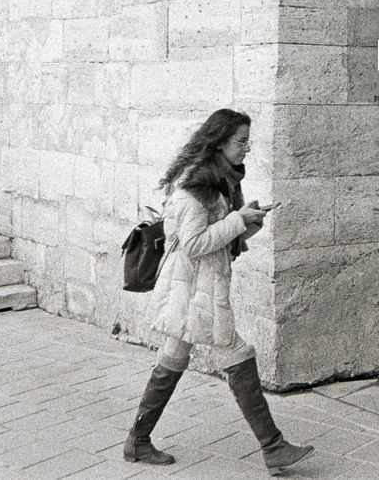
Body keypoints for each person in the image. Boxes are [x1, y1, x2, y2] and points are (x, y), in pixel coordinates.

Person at [124, 108, 315, 474]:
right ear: (221, 142)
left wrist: (248, 222)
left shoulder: (219, 182)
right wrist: (236, 220)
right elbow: (194, 244)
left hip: (200, 290)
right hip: (194, 291)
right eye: (241, 141)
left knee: (174, 358)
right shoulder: (194, 188)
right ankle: (273, 447)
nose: (246, 148)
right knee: (237, 354)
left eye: (247, 141)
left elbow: (222, 239)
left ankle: (138, 439)